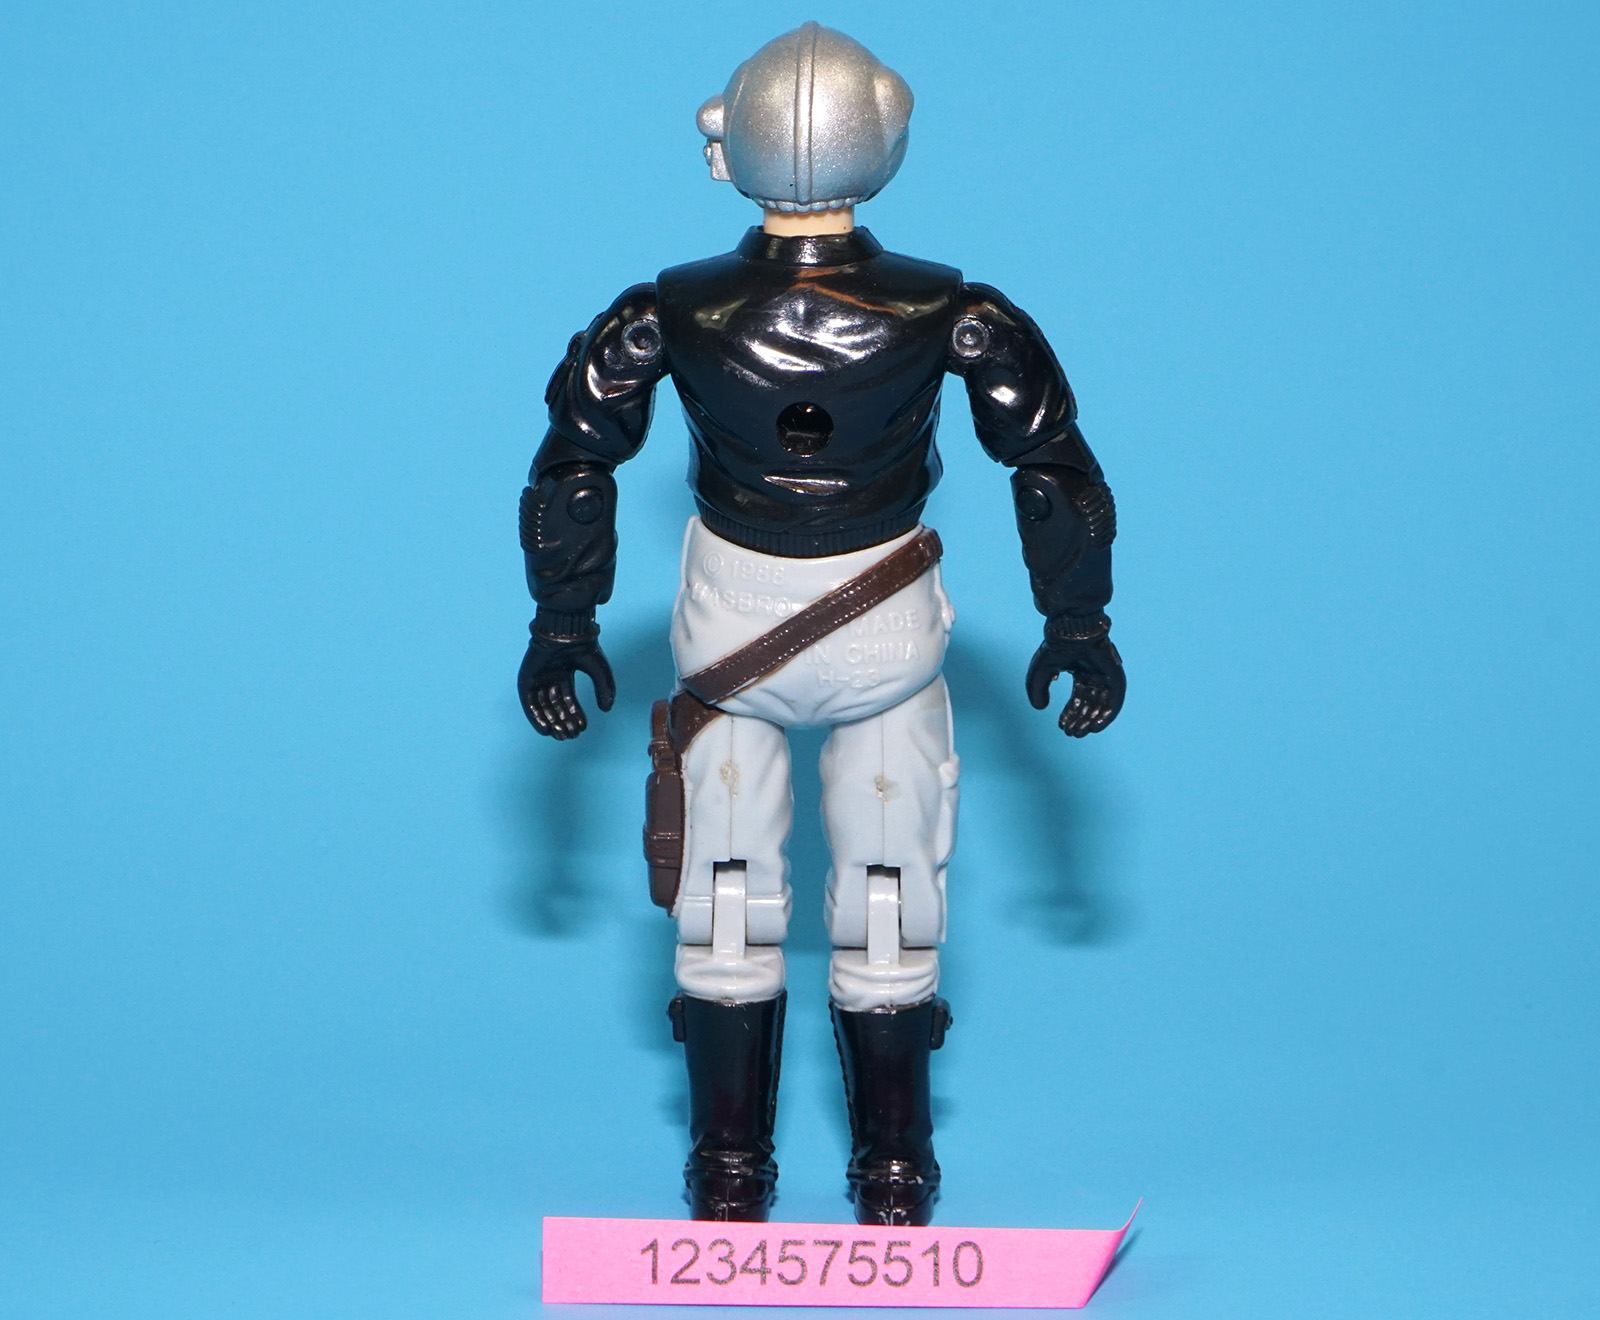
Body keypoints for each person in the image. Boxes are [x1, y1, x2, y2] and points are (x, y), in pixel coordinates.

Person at [516, 22, 1124, 1226]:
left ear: (728, 145)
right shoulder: (952, 312)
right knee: (890, 900)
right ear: (886, 137)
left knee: (725, 901)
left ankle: (727, 1171)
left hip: (729, 633)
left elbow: (577, 465)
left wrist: (563, 620)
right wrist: (1078, 618)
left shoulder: (669, 311)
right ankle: (893, 1170)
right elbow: (1048, 469)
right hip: (883, 631)